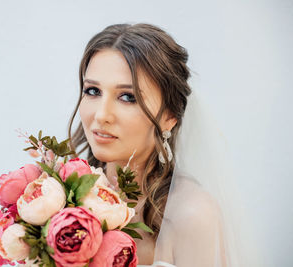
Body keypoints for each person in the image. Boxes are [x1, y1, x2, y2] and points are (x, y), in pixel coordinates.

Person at [68, 23, 262, 267]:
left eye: (128, 97)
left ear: (169, 116)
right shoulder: (61, 198)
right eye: (93, 91)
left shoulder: (192, 215)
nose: (101, 115)